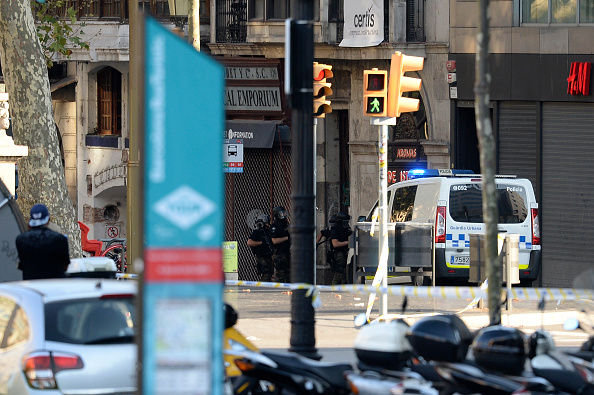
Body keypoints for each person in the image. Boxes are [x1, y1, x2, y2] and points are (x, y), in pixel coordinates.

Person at [16, 203, 70, 280]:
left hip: (31, 287)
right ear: (48, 220)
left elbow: (22, 265)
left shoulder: (20, 240)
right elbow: (65, 266)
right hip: (55, 285)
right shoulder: (60, 239)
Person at [247, 214, 274, 282]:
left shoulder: (267, 231)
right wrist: (261, 243)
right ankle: (263, 285)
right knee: (267, 272)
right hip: (261, 256)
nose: (267, 224)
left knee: (270, 272)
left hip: (268, 255)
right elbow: (249, 242)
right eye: (266, 223)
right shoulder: (257, 232)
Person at [330, 211, 352, 285]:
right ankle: (334, 289)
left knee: (344, 275)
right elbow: (335, 244)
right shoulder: (335, 229)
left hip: (345, 252)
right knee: (339, 274)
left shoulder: (344, 228)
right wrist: (347, 242)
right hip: (339, 254)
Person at [270, 206, 290, 283]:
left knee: (289, 274)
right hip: (279, 254)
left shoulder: (285, 224)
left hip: (287, 252)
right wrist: (287, 238)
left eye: (285, 213)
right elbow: (274, 241)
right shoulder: (275, 226)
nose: (284, 215)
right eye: (282, 213)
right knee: (279, 275)